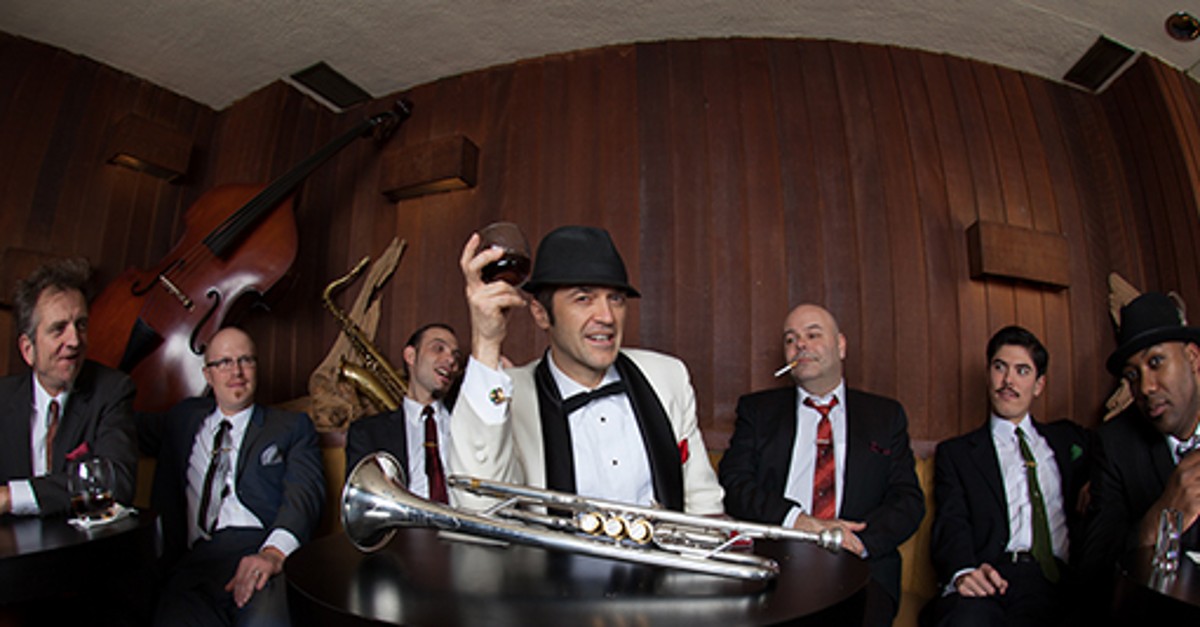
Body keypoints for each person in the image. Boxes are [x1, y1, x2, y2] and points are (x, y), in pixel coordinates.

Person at [449, 225, 723, 515]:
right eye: (583, 298)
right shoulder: (508, 398)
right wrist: (487, 341)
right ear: (541, 314)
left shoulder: (668, 376)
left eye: (615, 298)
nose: (607, 317)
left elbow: (703, 502)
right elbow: (480, 508)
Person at [718, 303, 924, 627]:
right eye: (790, 339)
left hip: (861, 567)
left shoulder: (884, 416)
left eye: (813, 335)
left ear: (840, 346)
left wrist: (858, 543)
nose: (800, 344)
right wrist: (797, 521)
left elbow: (908, 500)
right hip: (776, 560)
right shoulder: (758, 411)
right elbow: (734, 484)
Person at [150, 327, 324, 627]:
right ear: (208, 375)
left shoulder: (291, 426)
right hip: (194, 564)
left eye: (246, 360)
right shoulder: (182, 419)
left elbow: (304, 495)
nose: (237, 372)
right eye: (224, 363)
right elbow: (117, 421)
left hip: (260, 551)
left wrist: (273, 554)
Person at [923, 326, 1087, 627]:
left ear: (1038, 385)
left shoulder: (1067, 440)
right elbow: (951, 520)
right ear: (989, 375)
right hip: (989, 576)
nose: (1008, 380)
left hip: (1056, 582)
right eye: (1000, 367)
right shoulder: (957, 453)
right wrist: (963, 572)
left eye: (1022, 371)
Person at [1080, 292, 1200, 604]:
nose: (1145, 388)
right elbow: (1095, 572)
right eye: (1132, 376)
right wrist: (1163, 516)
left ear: (1193, 358)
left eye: (1156, 362)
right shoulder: (1115, 445)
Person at [0, 258, 137, 517]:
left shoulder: (112, 391)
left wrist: (11, 496)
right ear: (28, 350)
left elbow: (117, 483)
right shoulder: (3, 398)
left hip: (80, 540)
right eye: (58, 329)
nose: (74, 341)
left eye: (81, 325)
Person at [345, 322, 463, 501]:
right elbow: (362, 501)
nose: (451, 360)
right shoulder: (367, 433)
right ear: (411, 356)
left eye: (456, 356)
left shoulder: (468, 425)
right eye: (439, 349)